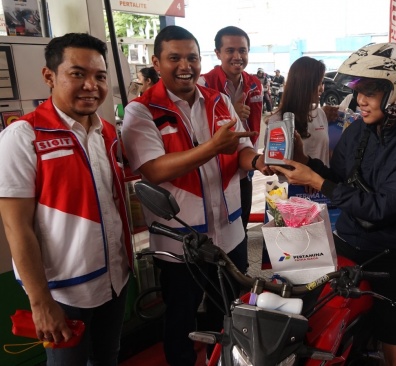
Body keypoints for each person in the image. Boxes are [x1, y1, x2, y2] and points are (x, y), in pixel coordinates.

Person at [272, 42, 396, 366]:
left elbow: (380, 208)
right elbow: (339, 179)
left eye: (372, 91)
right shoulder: (357, 133)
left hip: (390, 255)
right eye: (359, 89)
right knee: (293, 306)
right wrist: (303, 161)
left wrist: (316, 180)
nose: (360, 99)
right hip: (346, 239)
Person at [121, 25, 272, 366]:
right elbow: (155, 169)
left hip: (229, 235)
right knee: (180, 319)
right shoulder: (141, 111)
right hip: (180, 244)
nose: (184, 65)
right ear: (156, 63)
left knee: (228, 313)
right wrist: (212, 148)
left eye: (191, 57)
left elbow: (242, 149)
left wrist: (260, 162)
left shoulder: (218, 101)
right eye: (174, 58)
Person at [0, 33, 132, 365]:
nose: (91, 85)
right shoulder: (24, 135)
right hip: (64, 293)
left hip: (116, 279)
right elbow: (16, 227)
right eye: (78, 74)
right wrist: (40, 302)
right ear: (50, 76)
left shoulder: (107, 132)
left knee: (108, 357)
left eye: (100, 76)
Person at [198, 25, 264, 245]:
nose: (237, 56)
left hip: (245, 162)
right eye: (230, 51)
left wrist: (255, 158)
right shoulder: (204, 83)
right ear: (218, 53)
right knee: (214, 227)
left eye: (243, 51)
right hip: (216, 166)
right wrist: (232, 110)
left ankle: (240, 268)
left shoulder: (255, 84)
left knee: (241, 222)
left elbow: (255, 124)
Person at [269, 56, 329, 164]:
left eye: (322, 83)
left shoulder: (320, 114)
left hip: (323, 179)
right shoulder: (278, 120)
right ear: (304, 85)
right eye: (319, 83)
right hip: (296, 180)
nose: (322, 89)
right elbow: (276, 163)